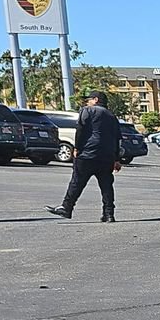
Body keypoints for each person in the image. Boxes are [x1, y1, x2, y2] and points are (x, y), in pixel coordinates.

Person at [47, 91, 121, 222]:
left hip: (88, 153)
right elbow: (117, 138)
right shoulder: (112, 116)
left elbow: (81, 129)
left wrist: (77, 147)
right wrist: (116, 159)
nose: (87, 102)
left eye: (89, 99)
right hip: (106, 156)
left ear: (96, 100)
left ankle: (67, 207)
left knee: (77, 182)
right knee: (106, 185)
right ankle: (109, 213)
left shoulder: (88, 111)